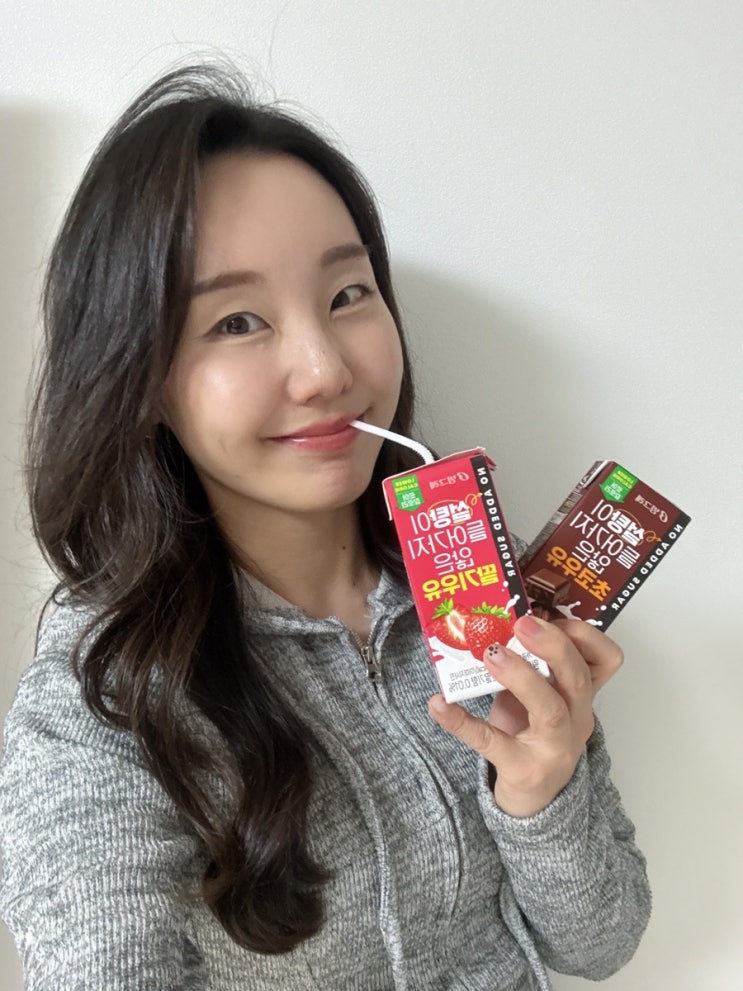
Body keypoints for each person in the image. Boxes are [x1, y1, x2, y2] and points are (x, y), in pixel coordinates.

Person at [0, 64, 650, 990]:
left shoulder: (477, 590)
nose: (324, 371)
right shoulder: (102, 695)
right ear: (137, 376)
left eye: (348, 295)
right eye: (236, 321)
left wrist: (540, 792)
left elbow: (599, 941)